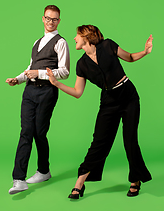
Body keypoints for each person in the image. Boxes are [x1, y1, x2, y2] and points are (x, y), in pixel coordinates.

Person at [46, 25, 152, 199]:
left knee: (130, 140)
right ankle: (79, 183)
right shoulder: (81, 64)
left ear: (86, 37)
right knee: (99, 142)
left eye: (77, 35)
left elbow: (131, 57)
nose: (74, 38)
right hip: (109, 101)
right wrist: (57, 83)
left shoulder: (108, 45)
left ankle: (135, 180)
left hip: (128, 95)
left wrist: (145, 51)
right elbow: (77, 92)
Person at [6, 5, 70, 195]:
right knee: (26, 131)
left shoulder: (61, 42)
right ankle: (19, 179)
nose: (51, 22)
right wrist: (18, 79)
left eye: (55, 19)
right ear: (43, 18)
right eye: (48, 18)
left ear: (59, 21)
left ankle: (43, 171)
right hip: (29, 92)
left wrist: (40, 73)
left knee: (39, 133)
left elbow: (64, 72)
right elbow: (30, 67)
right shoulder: (37, 42)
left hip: (47, 92)